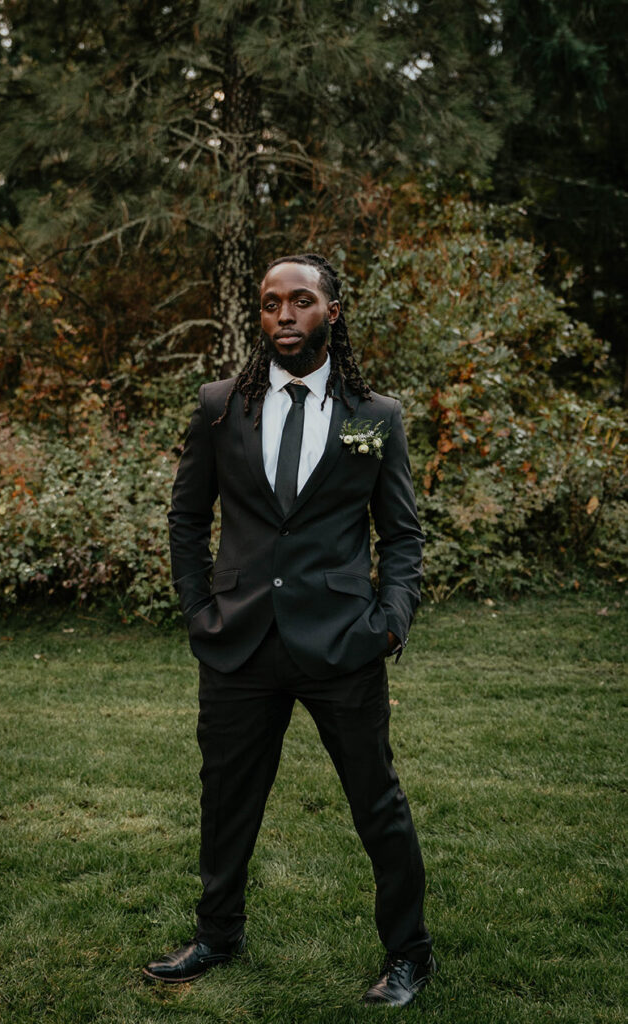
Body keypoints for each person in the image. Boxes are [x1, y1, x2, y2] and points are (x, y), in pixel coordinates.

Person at [143, 253, 435, 1008]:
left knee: (377, 804)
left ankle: (408, 953)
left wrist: (391, 621)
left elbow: (401, 534)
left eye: (299, 301)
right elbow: (184, 519)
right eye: (270, 302)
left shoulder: (376, 415)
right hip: (237, 640)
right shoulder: (218, 406)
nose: (282, 315)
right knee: (225, 797)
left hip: (341, 641)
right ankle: (217, 934)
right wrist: (198, 610)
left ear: (330, 312)